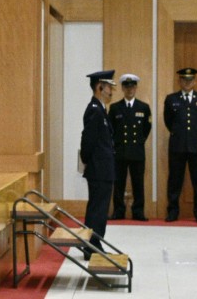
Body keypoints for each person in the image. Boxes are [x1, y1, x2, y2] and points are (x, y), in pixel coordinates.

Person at [164, 67, 197, 223]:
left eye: (190, 79)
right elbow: (168, 121)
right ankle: (172, 211)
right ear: (179, 81)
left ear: (195, 81)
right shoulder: (171, 99)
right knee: (175, 180)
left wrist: (195, 136)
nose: (187, 82)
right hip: (177, 146)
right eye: (184, 79)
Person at [80, 69, 116, 260]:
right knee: (98, 209)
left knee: (99, 208)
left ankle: (93, 244)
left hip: (102, 169)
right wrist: (89, 162)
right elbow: (88, 142)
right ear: (99, 87)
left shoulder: (100, 109)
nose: (112, 91)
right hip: (99, 170)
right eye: (109, 87)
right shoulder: (94, 110)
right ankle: (92, 246)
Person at [108, 73, 151, 221]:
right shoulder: (114, 108)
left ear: (136, 87)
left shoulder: (144, 108)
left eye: (132, 86)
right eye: (126, 86)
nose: (130, 89)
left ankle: (138, 211)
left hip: (137, 151)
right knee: (118, 183)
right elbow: (111, 130)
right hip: (119, 152)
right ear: (122, 88)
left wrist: (138, 142)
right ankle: (118, 211)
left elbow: (146, 129)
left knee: (138, 183)